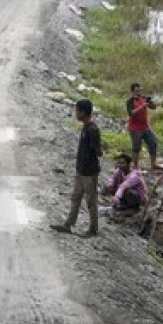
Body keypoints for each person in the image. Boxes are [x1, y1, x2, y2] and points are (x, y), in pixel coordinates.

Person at [51, 99, 103, 237]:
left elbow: (98, 151)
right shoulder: (86, 127)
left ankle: (93, 229)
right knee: (76, 197)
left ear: (83, 112)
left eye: (77, 110)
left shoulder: (92, 129)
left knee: (91, 201)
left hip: (89, 172)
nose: (75, 113)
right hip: (81, 170)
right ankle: (68, 224)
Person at [126, 83, 160, 171]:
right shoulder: (130, 101)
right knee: (136, 147)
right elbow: (131, 113)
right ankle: (135, 166)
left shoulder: (143, 98)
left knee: (153, 143)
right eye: (136, 90)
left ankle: (153, 164)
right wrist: (142, 106)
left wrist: (151, 103)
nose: (138, 92)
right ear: (132, 91)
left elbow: (154, 107)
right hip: (134, 128)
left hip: (145, 126)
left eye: (139, 90)